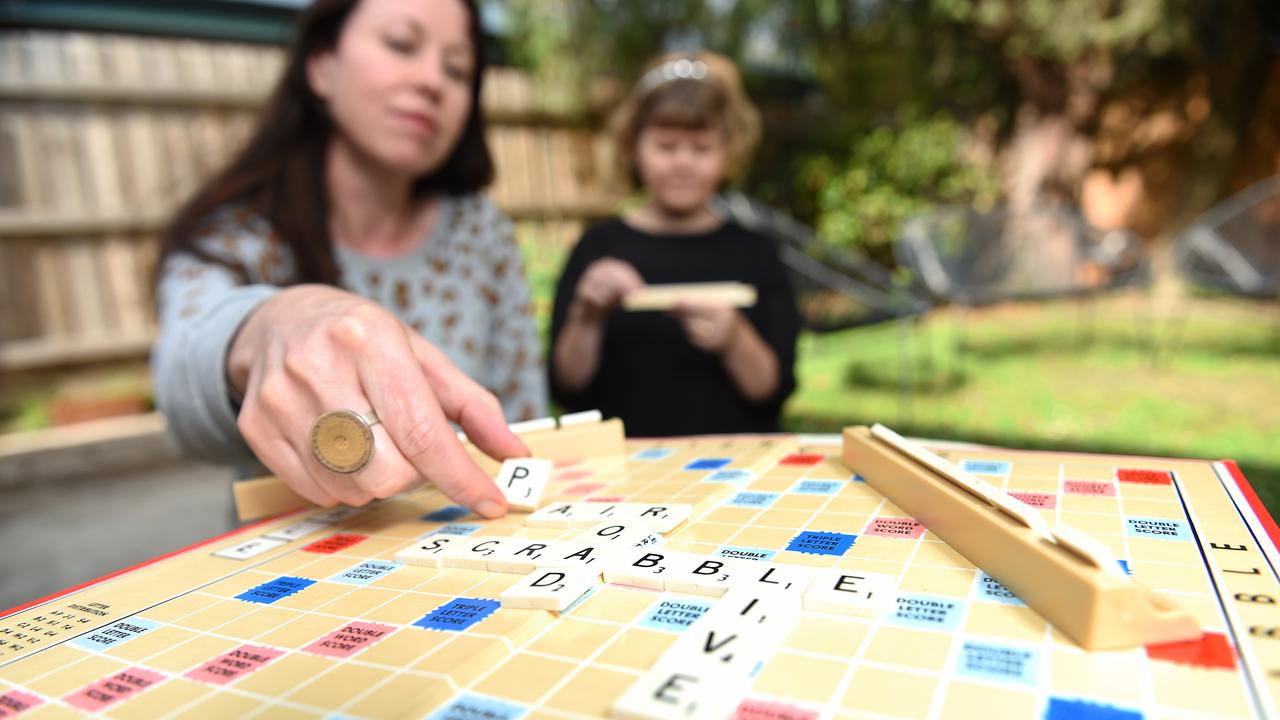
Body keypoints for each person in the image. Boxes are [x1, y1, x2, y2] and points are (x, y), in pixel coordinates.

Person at [151, 0, 546, 518]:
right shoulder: (240, 232)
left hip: (469, 543)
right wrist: (267, 325)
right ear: (322, 67)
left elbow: (523, 418)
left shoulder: (482, 231)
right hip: (299, 565)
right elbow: (182, 377)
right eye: (402, 44)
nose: (433, 80)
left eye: (457, 69)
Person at [548, 51, 799, 437]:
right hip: (625, 470)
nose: (683, 162)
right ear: (634, 147)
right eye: (666, 146)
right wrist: (588, 314)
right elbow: (567, 386)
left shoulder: (756, 253)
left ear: (727, 151)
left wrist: (734, 337)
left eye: (701, 149)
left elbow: (770, 390)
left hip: (735, 467)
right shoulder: (597, 247)